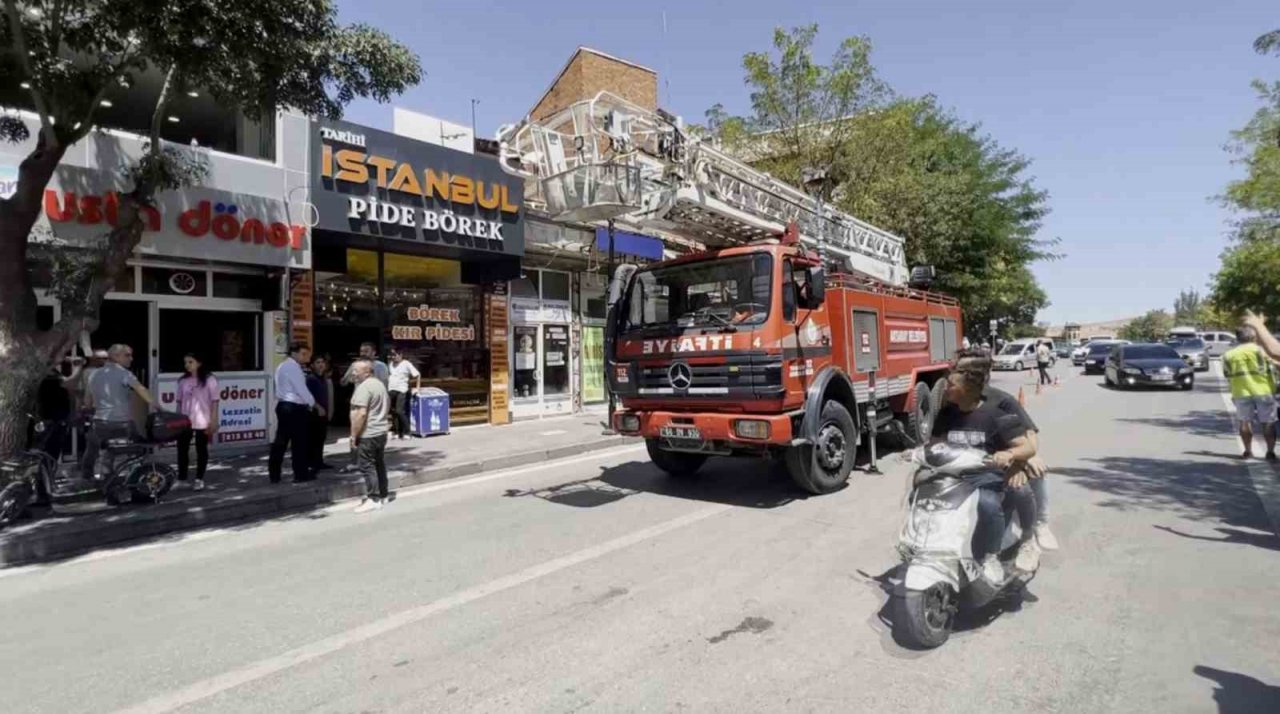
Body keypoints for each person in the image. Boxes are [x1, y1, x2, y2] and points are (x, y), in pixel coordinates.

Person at [930, 364, 1038, 585]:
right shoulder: (946, 414)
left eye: (951, 385)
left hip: (987, 479)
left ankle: (991, 556)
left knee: (987, 504)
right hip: (954, 477)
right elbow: (934, 445)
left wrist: (1008, 454)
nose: (946, 389)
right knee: (922, 499)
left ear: (967, 389)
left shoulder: (996, 416)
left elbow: (1028, 447)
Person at [955, 347, 1059, 553]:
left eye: (968, 370)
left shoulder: (1003, 401)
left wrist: (1022, 460)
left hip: (1000, 462)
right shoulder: (950, 400)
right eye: (958, 369)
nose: (959, 375)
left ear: (984, 373)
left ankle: (1039, 524)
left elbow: (1030, 435)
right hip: (963, 466)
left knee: (1034, 469)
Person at [81, 344, 156, 481]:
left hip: (100, 422)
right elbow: (141, 390)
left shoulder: (93, 375)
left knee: (92, 447)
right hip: (122, 422)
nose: (131, 359)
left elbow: (87, 402)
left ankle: (89, 476)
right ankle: (136, 476)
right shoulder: (124, 374)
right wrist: (158, 406)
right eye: (127, 355)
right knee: (140, 448)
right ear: (115, 357)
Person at [1222, 325, 1277, 460]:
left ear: (1238, 338)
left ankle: (1247, 451)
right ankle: (1270, 452)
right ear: (1253, 337)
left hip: (1240, 392)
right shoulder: (1260, 351)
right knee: (1268, 422)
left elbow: (1226, 374)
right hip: (1263, 390)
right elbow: (1274, 367)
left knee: (1244, 422)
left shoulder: (1228, 355)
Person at [269, 342, 318, 483]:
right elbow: (301, 389)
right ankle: (300, 474)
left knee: (282, 441)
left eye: (307, 354)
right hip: (293, 407)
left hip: (285, 405)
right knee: (299, 443)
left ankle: (275, 474)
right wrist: (313, 403)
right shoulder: (292, 367)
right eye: (303, 354)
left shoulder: (283, 366)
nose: (305, 357)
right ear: (294, 353)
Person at [349, 360, 391, 513]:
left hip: (368, 433)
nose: (353, 373)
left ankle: (373, 498)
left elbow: (361, 413)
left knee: (367, 465)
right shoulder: (379, 385)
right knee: (378, 463)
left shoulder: (364, 387)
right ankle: (383, 494)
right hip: (380, 431)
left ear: (367, 372)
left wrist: (354, 435)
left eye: (356, 371)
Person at [174, 353, 219, 491]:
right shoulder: (182, 381)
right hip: (185, 420)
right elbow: (179, 402)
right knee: (182, 449)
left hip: (202, 420)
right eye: (186, 362)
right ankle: (182, 478)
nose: (187, 365)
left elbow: (215, 401)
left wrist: (214, 420)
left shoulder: (210, 379)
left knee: (201, 449)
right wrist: (177, 420)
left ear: (199, 363)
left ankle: (199, 478)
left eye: (190, 362)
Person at [306, 354, 335, 471]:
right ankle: (311, 463)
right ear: (312, 365)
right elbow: (308, 397)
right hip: (313, 413)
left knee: (321, 438)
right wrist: (317, 408)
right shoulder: (310, 379)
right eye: (318, 362)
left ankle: (319, 462)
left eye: (322, 362)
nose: (321, 365)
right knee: (313, 439)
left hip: (324, 413)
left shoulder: (324, 379)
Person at [387, 348, 421, 439]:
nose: (393, 357)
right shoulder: (390, 364)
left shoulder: (406, 364)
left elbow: (417, 375)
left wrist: (417, 388)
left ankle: (407, 432)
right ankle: (396, 432)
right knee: (393, 412)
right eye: (392, 355)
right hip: (391, 389)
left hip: (402, 390)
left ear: (400, 355)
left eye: (395, 355)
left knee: (399, 411)